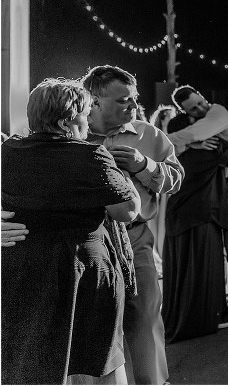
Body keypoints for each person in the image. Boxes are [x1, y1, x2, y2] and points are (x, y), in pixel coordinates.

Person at [1, 78, 141, 384]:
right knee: (94, 359)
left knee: (32, 358)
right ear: (66, 122)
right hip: (83, 272)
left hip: (22, 272)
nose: (88, 121)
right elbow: (127, 211)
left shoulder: (7, 152)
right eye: (85, 114)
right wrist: (122, 177)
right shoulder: (89, 156)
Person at [81, 65, 184, 385]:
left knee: (145, 317)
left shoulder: (149, 135)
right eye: (123, 99)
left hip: (136, 237)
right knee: (93, 323)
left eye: (134, 98)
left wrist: (145, 165)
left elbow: (176, 179)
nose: (133, 105)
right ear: (94, 101)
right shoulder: (74, 134)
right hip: (88, 240)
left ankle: (153, 383)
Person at [168, 85, 228, 329]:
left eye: (200, 102)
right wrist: (190, 143)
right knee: (224, 246)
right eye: (193, 108)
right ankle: (224, 301)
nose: (201, 108)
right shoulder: (198, 119)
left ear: (203, 96)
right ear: (185, 111)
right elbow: (193, 138)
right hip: (221, 186)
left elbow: (194, 135)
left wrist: (168, 139)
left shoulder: (218, 111)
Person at [162, 114, 228, 343]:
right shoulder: (207, 151)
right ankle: (200, 319)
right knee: (200, 271)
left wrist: (187, 143)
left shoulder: (169, 152)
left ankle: (180, 316)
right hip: (201, 217)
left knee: (181, 270)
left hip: (176, 216)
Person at [148, 104, 178, 278]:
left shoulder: (175, 137)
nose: (173, 118)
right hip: (159, 187)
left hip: (172, 186)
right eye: (169, 116)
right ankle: (159, 259)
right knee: (158, 223)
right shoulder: (156, 137)